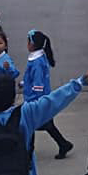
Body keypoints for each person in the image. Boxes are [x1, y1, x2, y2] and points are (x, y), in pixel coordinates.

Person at [24, 30, 74, 159]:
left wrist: (36, 99)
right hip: (38, 97)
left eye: (28, 41)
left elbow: (38, 82)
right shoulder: (38, 58)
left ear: (33, 44)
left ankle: (29, 152)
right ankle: (63, 144)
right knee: (45, 124)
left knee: (30, 123)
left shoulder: (37, 62)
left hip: (36, 99)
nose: (27, 44)